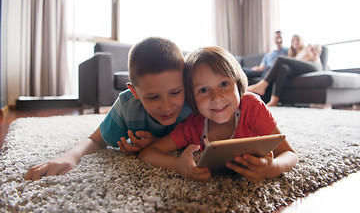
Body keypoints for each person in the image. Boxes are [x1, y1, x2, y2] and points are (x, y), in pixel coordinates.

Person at [25, 37, 193, 181]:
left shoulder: (193, 102)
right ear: (134, 91)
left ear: (185, 83)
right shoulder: (127, 106)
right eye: (153, 97)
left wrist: (157, 142)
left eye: (175, 92)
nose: (167, 106)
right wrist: (70, 156)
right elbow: (96, 140)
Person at [138, 46, 299, 183]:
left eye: (224, 84)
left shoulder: (251, 106)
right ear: (191, 97)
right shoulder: (193, 125)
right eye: (203, 90)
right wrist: (178, 165)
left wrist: (271, 169)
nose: (216, 97)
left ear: (237, 83)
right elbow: (147, 153)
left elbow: (289, 154)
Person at [248, 34, 323, 106]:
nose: (295, 42)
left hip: (314, 66)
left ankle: (262, 85)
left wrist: (312, 50)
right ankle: (274, 100)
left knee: (280, 59)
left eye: (297, 39)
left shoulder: (307, 48)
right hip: (300, 70)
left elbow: (315, 53)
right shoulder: (293, 55)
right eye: (293, 40)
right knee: (283, 68)